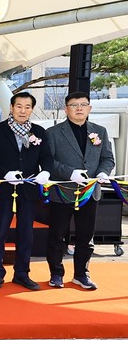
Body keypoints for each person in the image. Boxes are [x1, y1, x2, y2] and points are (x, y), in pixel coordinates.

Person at [0, 91, 53, 290]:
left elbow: (47, 157)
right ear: (11, 108)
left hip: (29, 190)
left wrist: (46, 171)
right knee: (0, 232)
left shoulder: (39, 132)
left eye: (27, 107)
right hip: (4, 188)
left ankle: (22, 273)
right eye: (19, 106)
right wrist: (5, 173)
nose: (23, 110)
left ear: (32, 109)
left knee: (26, 233)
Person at [45, 91, 114, 290]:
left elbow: (107, 158)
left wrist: (103, 172)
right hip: (63, 190)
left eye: (83, 104)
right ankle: (56, 274)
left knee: (86, 235)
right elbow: (49, 161)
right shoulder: (53, 133)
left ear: (89, 108)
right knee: (57, 235)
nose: (79, 108)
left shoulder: (100, 131)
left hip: (90, 192)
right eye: (74, 105)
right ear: (66, 109)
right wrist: (70, 173)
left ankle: (82, 274)